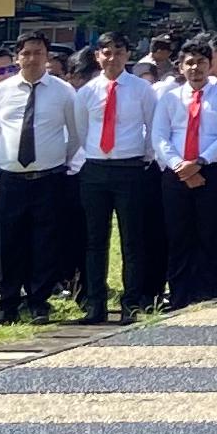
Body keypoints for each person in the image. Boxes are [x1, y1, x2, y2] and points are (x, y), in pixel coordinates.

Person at [0, 28, 87, 322]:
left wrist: (58, 159)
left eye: (38, 53)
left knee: (45, 241)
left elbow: (76, 133)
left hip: (49, 178)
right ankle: (9, 302)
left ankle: (39, 300)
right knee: (8, 242)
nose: (31, 59)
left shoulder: (63, 91)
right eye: (26, 53)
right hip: (12, 178)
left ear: (47, 56)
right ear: (17, 57)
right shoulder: (1, 92)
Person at [70, 29, 166, 320]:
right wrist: (95, 155)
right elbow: (81, 130)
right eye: (106, 52)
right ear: (98, 56)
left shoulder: (141, 89)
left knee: (132, 240)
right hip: (96, 169)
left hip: (130, 168)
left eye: (118, 52)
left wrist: (145, 157)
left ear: (128, 55)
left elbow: (153, 127)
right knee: (94, 240)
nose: (112, 58)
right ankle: (95, 302)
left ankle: (131, 302)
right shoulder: (87, 92)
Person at [158, 37, 217, 306]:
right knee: (178, 233)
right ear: (180, 67)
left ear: (210, 65)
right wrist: (181, 166)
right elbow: (160, 136)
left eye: (201, 62)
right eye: (189, 63)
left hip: (213, 170)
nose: (195, 68)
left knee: (211, 233)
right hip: (176, 172)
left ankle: (205, 290)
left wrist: (201, 162)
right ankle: (178, 294)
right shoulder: (170, 98)